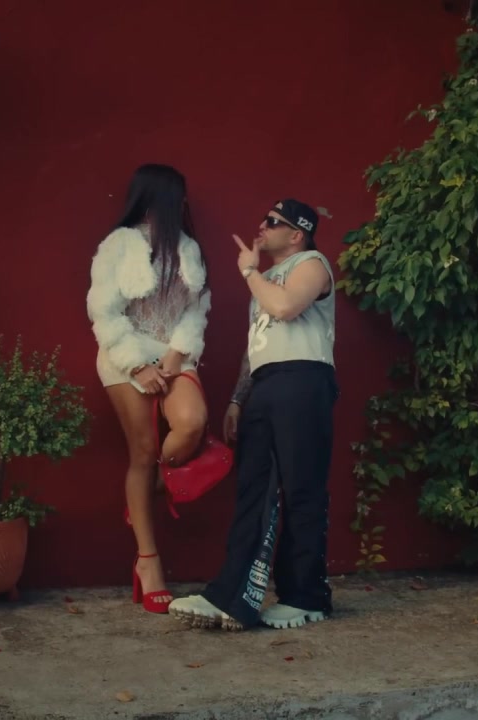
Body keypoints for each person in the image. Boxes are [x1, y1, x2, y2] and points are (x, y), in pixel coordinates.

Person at [169, 198, 338, 631]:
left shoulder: (312, 264)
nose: (262, 225)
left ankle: (306, 597)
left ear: (297, 234)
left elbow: (284, 308)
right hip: (265, 384)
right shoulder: (265, 281)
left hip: (304, 379)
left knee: (301, 489)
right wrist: (238, 399)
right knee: (252, 491)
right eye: (263, 218)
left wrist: (249, 272)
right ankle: (231, 594)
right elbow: (256, 343)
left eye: (273, 222)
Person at [86, 164, 211, 614]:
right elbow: (103, 311)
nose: (184, 203)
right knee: (142, 451)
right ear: (157, 198)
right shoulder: (119, 244)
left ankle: (145, 492)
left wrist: (175, 357)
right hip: (126, 356)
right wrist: (138, 365)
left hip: (174, 353)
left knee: (192, 423)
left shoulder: (189, 248)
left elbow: (197, 310)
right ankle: (148, 561)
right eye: (178, 194)